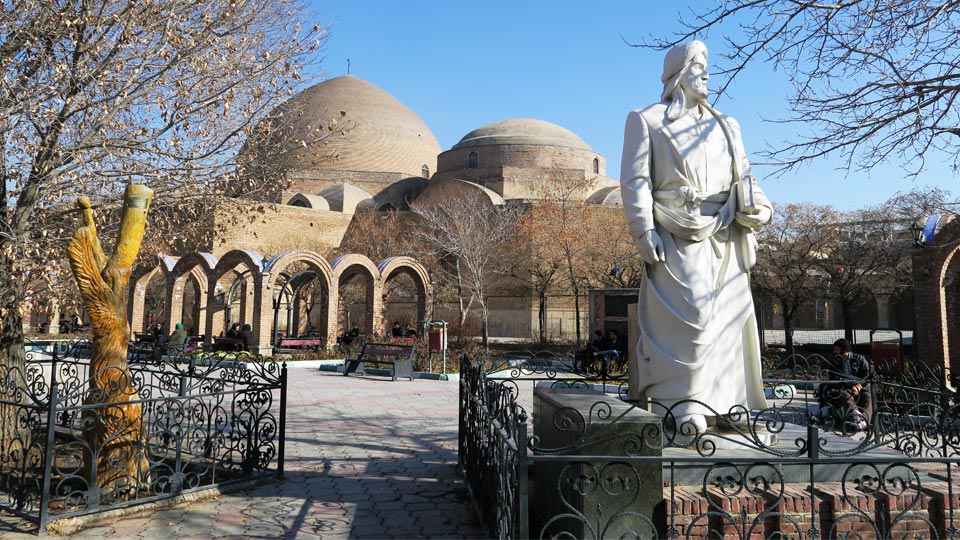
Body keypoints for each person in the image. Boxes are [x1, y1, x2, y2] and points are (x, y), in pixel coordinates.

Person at [620, 41, 772, 434]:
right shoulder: (647, 119)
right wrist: (644, 230)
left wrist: (762, 209)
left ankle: (727, 400)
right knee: (693, 317)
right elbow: (635, 181)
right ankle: (682, 403)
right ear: (677, 72)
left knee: (730, 314)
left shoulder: (727, 125)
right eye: (698, 66)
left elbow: (746, 180)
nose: (706, 74)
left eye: (707, 66)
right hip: (677, 231)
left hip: (726, 232)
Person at [821, 338, 873, 431]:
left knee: (867, 396)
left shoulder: (859, 359)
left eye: (836, 349)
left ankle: (864, 422)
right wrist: (851, 385)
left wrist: (858, 386)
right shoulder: (835, 361)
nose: (834, 352)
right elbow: (834, 377)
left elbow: (867, 375)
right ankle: (857, 417)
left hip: (860, 387)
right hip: (844, 388)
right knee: (844, 395)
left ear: (844, 350)